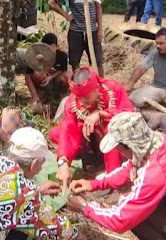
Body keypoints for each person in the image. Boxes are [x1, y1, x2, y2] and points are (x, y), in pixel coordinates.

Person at [67, 111, 166, 240]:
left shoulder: (154, 174)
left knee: (135, 218)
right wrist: (94, 184)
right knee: (137, 206)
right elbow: (130, 166)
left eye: (117, 147)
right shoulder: (159, 140)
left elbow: (119, 220)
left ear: (127, 147)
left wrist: (84, 207)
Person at [50, 66, 135, 195]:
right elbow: (68, 130)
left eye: (86, 96)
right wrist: (63, 163)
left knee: (111, 132)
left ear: (97, 88)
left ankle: (112, 174)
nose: (83, 101)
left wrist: (102, 114)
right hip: (91, 137)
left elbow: (129, 115)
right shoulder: (73, 101)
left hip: (113, 134)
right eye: (79, 97)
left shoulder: (113, 88)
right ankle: (90, 152)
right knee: (56, 133)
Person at [124, 27, 166, 119]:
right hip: (157, 86)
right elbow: (141, 69)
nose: (158, 46)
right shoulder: (155, 52)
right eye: (157, 43)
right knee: (133, 101)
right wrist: (129, 84)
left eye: (161, 43)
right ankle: (161, 104)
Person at [49, 0, 104, 77]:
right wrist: (66, 16)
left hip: (93, 31)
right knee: (75, 62)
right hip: (76, 32)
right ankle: (78, 85)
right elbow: (52, 3)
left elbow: (98, 8)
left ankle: (100, 85)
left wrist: (100, 30)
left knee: (98, 62)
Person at [25, 33, 70, 113]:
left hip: (56, 80)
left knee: (67, 76)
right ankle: (39, 95)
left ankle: (61, 95)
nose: (50, 51)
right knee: (37, 74)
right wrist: (34, 95)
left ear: (57, 46)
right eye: (47, 49)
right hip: (42, 81)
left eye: (52, 48)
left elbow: (62, 70)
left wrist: (51, 77)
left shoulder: (62, 56)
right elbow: (28, 76)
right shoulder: (36, 57)